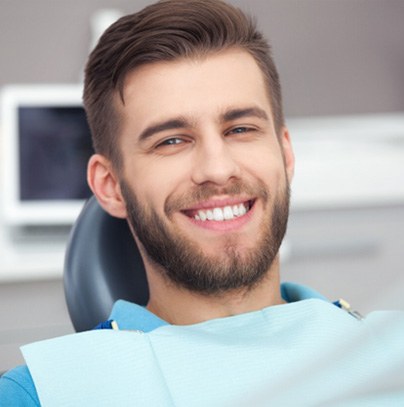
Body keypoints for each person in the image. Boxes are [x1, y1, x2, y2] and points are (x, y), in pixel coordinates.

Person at [1, 0, 403, 405]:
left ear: (285, 154)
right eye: (171, 140)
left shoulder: (390, 355)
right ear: (110, 186)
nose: (217, 168)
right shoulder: (41, 394)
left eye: (241, 128)